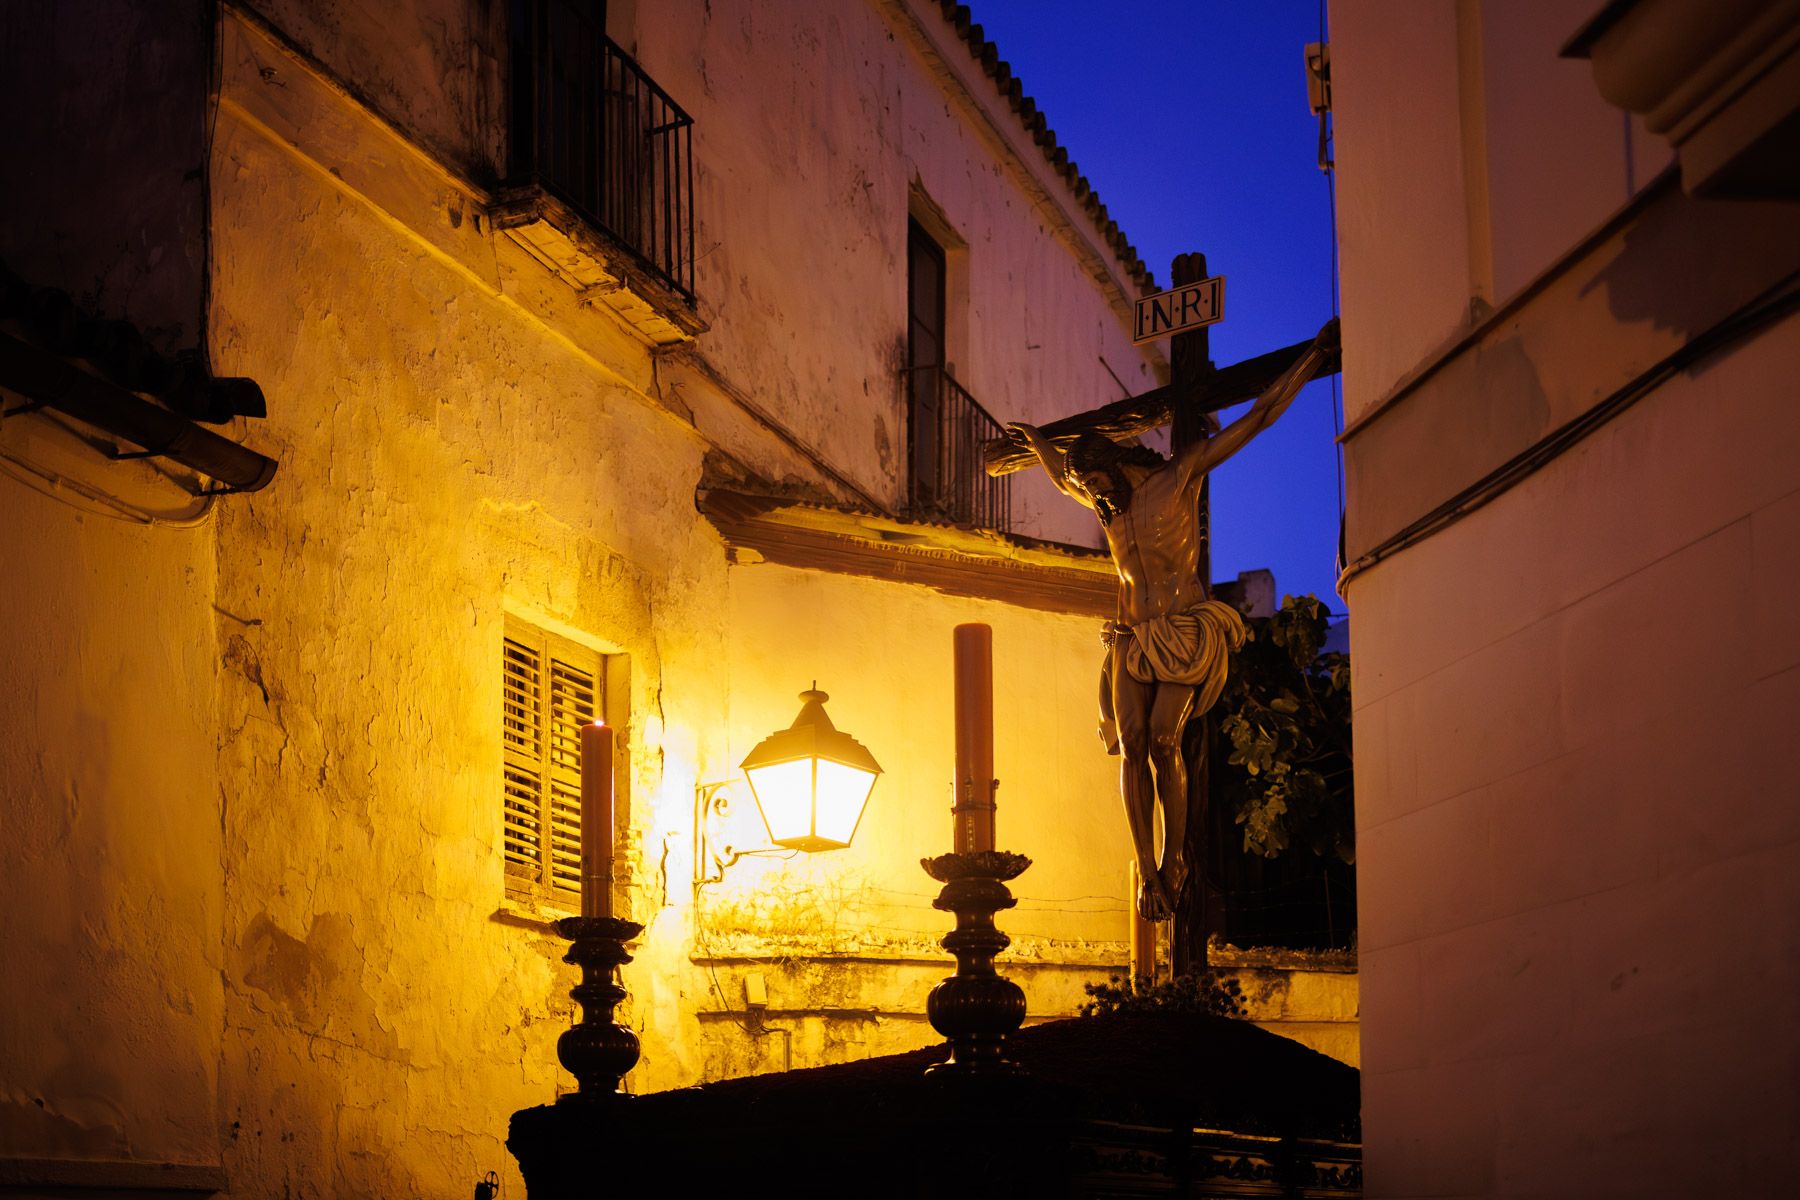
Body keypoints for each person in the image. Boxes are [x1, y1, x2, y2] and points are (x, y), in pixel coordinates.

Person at [1006, 318, 1338, 920]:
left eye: (1095, 483)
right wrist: (1036, 443)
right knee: (1132, 745)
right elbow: (1060, 476)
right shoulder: (1106, 502)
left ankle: (1175, 858)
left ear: (1112, 464)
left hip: (1184, 633)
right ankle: (1143, 868)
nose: (1092, 496)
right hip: (1130, 637)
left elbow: (1258, 417)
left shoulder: (1174, 478)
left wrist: (1312, 357)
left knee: (1165, 741)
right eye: (1086, 488)